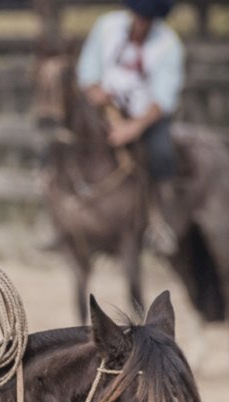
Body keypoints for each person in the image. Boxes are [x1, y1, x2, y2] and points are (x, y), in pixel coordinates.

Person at [76, 0, 184, 246]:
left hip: (144, 116)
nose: (140, 22)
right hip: (104, 109)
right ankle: (63, 213)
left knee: (160, 153)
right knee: (67, 138)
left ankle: (159, 219)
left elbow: (162, 98)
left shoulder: (168, 44)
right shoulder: (107, 26)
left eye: (147, 17)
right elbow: (87, 71)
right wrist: (96, 92)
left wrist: (132, 128)